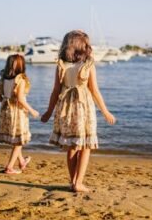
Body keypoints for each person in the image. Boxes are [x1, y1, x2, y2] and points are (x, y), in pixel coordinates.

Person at [41, 30, 116, 192]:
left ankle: (72, 181)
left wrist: (48, 111)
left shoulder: (61, 64)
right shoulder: (88, 64)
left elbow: (55, 91)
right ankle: (78, 183)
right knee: (86, 146)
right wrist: (105, 112)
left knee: (71, 146)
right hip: (83, 108)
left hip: (66, 107)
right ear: (83, 46)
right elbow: (95, 91)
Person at [0, 54, 39, 174]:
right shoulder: (21, 79)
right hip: (18, 112)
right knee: (19, 141)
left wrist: (8, 99)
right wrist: (32, 111)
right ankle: (9, 167)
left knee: (16, 139)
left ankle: (21, 162)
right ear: (22, 65)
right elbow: (20, 99)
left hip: (5, 111)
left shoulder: (3, 79)